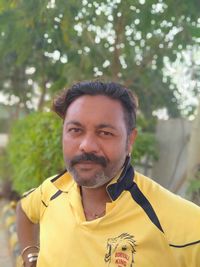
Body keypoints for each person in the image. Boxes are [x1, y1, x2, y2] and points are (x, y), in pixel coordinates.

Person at [16, 81, 200, 267]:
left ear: (130, 141)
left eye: (104, 133)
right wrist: (30, 256)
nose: (86, 145)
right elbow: (23, 209)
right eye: (75, 130)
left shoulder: (178, 222)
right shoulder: (52, 190)